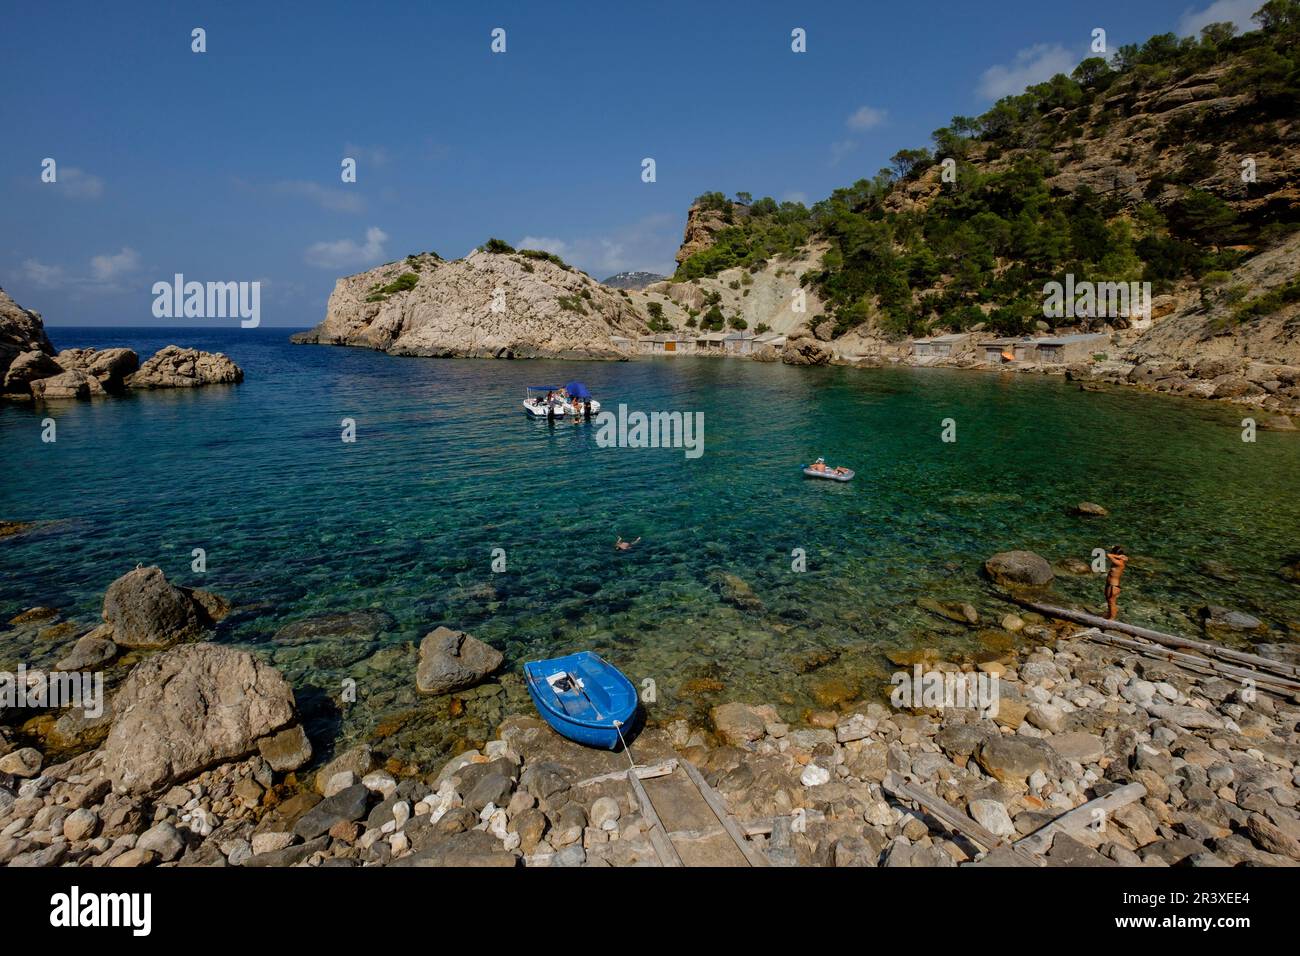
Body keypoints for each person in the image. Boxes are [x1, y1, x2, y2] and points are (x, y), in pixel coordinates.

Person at [1104, 546, 1128, 620]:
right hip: (1110, 585)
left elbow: (1108, 555)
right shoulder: (1118, 561)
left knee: (1112, 602)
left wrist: (1118, 556)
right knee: (1109, 601)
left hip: (1113, 586)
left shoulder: (1119, 563)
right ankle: (1109, 615)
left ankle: (1112, 619)